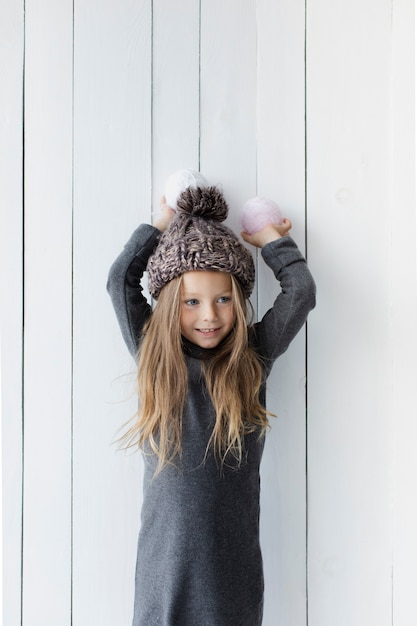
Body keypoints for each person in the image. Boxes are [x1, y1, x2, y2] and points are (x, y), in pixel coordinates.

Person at [107, 184, 316, 626]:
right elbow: (120, 279)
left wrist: (271, 240)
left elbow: (300, 293)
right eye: (192, 302)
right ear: (169, 306)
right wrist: (161, 222)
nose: (210, 315)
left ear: (238, 302)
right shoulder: (156, 354)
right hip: (165, 565)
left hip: (230, 564)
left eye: (223, 299)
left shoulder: (251, 357)